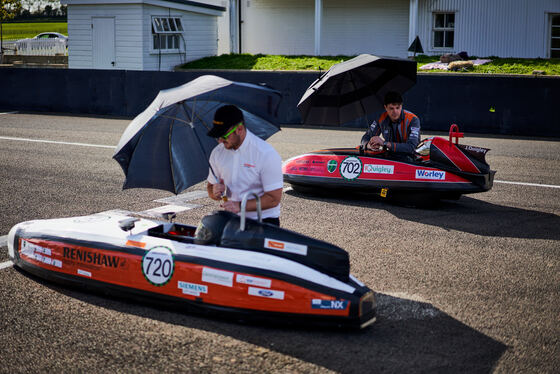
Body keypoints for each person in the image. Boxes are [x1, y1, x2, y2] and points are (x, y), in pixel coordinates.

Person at [206, 105, 283, 226]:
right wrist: (214, 192)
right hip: (232, 220)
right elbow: (210, 187)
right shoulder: (217, 153)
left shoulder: (266, 153)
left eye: (224, 136)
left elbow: (273, 199)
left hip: (263, 221)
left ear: (240, 129)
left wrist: (239, 206)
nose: (220, 140)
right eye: (217, 136)